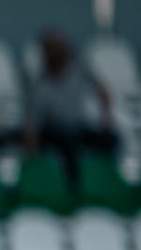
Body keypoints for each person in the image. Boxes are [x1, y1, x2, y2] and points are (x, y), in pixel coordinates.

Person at [22, 29, 116, 180]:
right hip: (54, 131)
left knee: (110, 139)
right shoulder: (39, 84)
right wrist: (32, 157)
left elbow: (102, 91)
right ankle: (73, 184)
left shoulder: (78, 71)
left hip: (78, 127)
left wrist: (106, 120)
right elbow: (31, 124)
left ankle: (106, 179)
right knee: (68, 143)